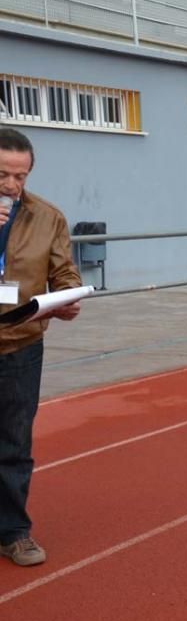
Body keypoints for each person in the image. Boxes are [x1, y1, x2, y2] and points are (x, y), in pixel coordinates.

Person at [0, 128, 83, 567]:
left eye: (21, 175)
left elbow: (63, 272)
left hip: (19, 345)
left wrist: (66, 298)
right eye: (2, 174)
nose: (11, 185)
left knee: (13, 444)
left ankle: (13, 532)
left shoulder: (48, 217)